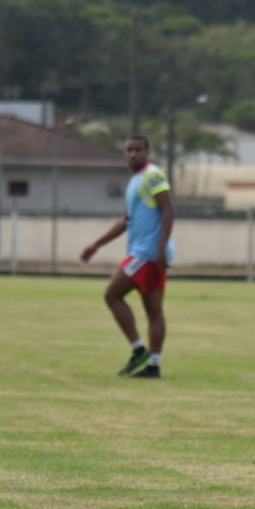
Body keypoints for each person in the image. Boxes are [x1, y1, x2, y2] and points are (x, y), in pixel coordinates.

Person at [80, 134, 176, 379]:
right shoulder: (135, 180)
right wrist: (96, 244)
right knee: (154, 310)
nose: (133, 154)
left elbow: (168, 208)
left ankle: (138, 349)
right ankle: (153, 365)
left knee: (112, 295)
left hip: (147, 252)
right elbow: (126, 220)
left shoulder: (152, 175)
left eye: (138, 150)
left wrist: (160, 247)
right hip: (150, 252)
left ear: (148, 151)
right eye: (129, 150)